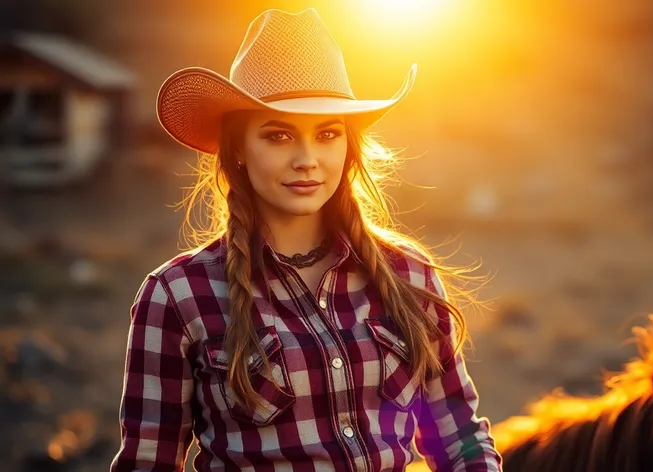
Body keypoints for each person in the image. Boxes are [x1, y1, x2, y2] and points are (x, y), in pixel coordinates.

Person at [110, 7, 502, 472]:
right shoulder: (177, 297)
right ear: (238, 147)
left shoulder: (408, 273)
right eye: (278, 136)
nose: (307, 159)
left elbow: (461, 438)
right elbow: (147, 464)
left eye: (328, 134)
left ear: (347, 146)